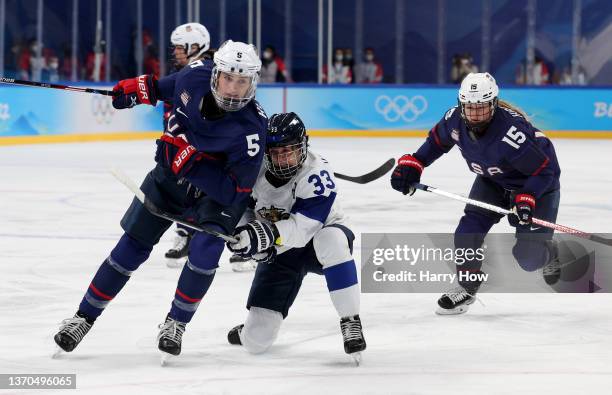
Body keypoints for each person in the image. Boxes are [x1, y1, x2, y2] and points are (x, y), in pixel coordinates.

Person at [53, 40, 268, 360]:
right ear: (215, 74)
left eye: (243, 81)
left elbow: (234, 192)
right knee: (131, 247)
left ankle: (176, 323)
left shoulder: (252, 128)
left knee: (205, 251)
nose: (235, 89)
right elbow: (159, 87)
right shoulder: (192, 77)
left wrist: (191, 163)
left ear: (253, 82)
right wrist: (136, 89)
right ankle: (83, 317)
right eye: (228, 78)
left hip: (215, 195)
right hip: (170, 178)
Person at [390, 72, 561, 314]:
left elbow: (545, 172)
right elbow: (435, 144)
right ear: (461, 104)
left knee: (528, 259)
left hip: (536, 186)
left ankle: (550, 252)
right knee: (466, 233)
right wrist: (414, 164)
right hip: (492, 181)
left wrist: (525, 199)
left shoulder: (512, 133)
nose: (475, 114)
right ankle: (468, 287)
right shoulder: (453, 120)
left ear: (493, 104)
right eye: (469, 107)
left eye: (481, 108)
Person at [224, 112, 366, 360]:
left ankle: (350, 320)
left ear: (303, 146)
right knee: (256, 343)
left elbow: (303, 230)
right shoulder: (252, 172)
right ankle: (250, 332)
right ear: (266, 152)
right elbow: (242, 210)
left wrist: (261, 235)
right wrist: (244, 233)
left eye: (289, 151)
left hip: (317, 238)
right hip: (280, 253)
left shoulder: (317, 175)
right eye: (276, 152)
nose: (283, 159)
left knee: (330, 241)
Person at [161, 22, 212, 268]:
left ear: (195, 47)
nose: (176, 52)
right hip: (189, 151)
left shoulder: (206, 73)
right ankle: (184, 233)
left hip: (211, 153)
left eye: (180, 47)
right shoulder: (182, 76)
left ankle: (244, 244)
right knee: (183, 189)